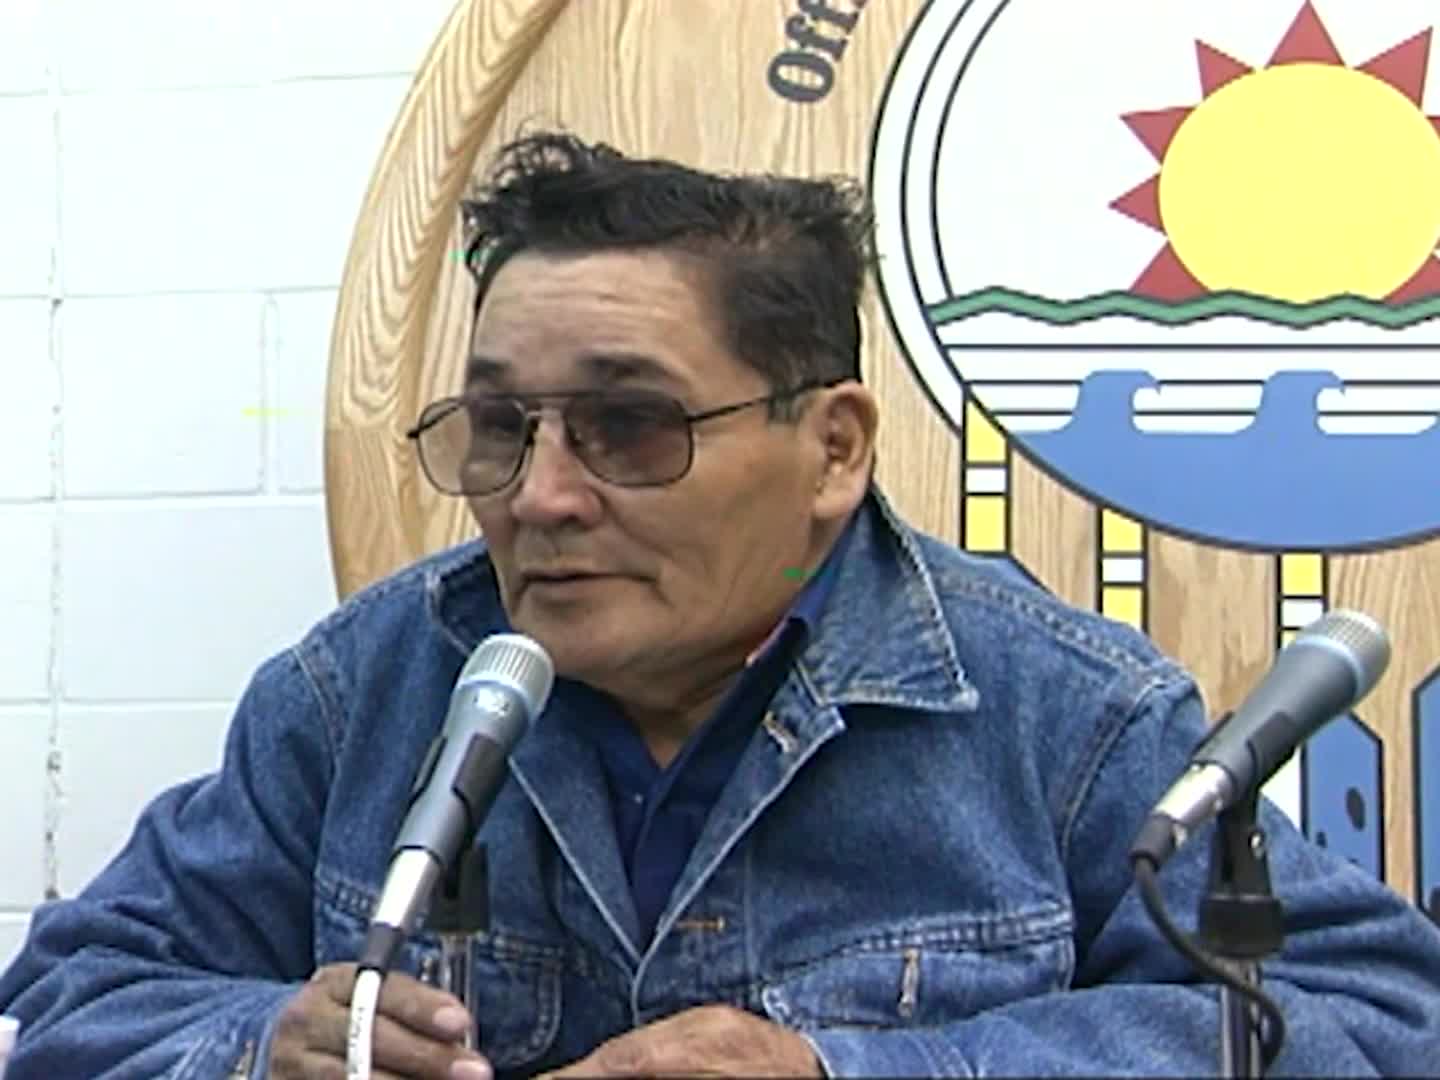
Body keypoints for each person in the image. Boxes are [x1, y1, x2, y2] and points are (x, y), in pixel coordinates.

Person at [3, 131, 1439, 1080]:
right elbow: (78, 993)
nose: (540, 497)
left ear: (833, 449)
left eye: (630, 428)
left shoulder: (1062, 716)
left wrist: (851, 1071)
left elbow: (1380, 1021)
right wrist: (266, 1045)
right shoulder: (363, 691)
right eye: (498, 430)